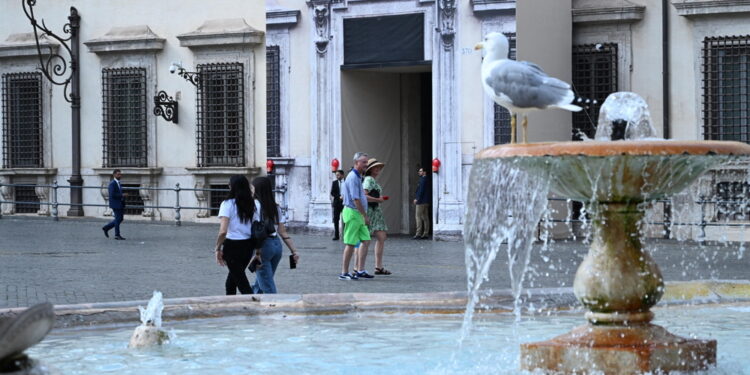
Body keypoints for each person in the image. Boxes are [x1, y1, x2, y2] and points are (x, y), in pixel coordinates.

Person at [251, 176, 300, 294]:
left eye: (252, 188)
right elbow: (282, 231)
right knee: (262, 281)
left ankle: (275, 307)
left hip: (262, 247)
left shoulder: (254, 205)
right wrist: (294, 251)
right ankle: (253, 302)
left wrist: (256, 252)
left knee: (268, 287)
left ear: (257, 189)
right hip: (277, 246)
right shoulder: (276, 207)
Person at [214, 175, 257, 295]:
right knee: (231, 282)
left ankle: (252, 307)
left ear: (232, 187)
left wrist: (217, 248)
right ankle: (230, 305)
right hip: (248, 245)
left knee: (242, 283)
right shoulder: (251, 204)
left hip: (232, 246)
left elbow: (223, 231)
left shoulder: (227, 204)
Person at [339, 152, 371, 280]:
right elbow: (355, 199)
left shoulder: (358, 177)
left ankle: (360, 269)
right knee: (351, 243)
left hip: (358, 214)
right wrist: (365, 215)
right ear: (356, 163)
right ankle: (344, 272)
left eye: (366, 162)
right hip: (353, 213)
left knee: (366, 240)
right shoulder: (352, 177)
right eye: (364, 162)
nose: (366, 165)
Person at [360, 158, 390, 276]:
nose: (378, 169)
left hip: (376, 211)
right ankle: (359, 267)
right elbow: (364, 195)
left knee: (381, 236)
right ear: (370, 169)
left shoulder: (372, 180)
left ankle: (378, 266)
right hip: (371, 212)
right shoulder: (368, 179)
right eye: (376, 167)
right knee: (365, 240)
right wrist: (378, 199)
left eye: (379, 167)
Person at [102, 169, 126, 240]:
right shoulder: (112, 183)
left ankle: (106, 228)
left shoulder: (118, 182)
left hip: (119, 203)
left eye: (120, 174)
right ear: (114, 175)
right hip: (115, 204)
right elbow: (112, 194)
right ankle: (117, 235)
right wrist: (122, 195)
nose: (120, 175)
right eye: (118, 174)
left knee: (120, 219)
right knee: (118, 219)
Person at [413, 167, 431, 240]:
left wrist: (417, 199)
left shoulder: (423, 180)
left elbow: (421, 190)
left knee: (418, 217)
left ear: (424, 172)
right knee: (425, 218)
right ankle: (425, 234)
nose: (419, 172)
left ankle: (418, 234)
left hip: (421, 201)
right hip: (426, 201)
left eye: (420, 171)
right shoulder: (427, 179)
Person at [330, 169, 345, 240]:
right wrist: (338, 196)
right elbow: (332, 193)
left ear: (342, 175)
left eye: (338, 175)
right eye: (336, 175)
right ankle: (336, 236)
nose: (337, 176)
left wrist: (344, 197)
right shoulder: (334, 183)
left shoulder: (346, 182)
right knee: (336, 220)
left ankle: (345, 236)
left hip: (345, 203)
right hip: (336, 204)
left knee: (345, 220)